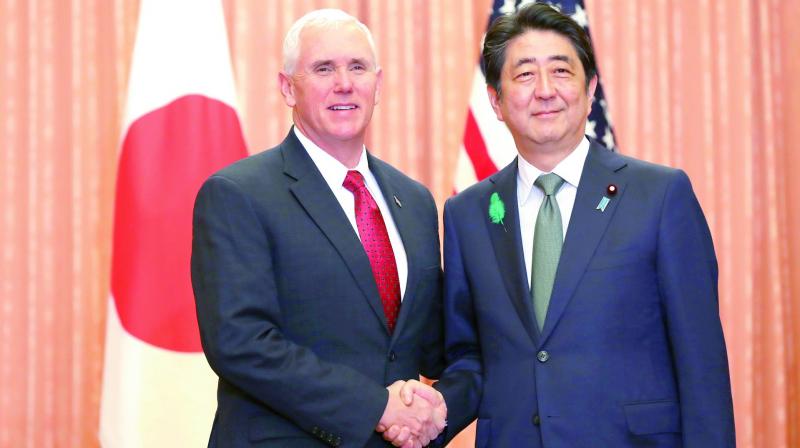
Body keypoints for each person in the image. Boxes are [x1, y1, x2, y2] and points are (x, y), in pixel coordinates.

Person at [434, 3, 736, 446]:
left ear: (590, 88)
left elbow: (701, 362)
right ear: (496, 101)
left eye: (561, 71)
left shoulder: (660, 195)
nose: (545, 90)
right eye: (523, 75)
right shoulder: (468, 214)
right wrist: (425, 417)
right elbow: (468, 357)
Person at [191, 9, 446, 447]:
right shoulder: (237, 194)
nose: (344, 83)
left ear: (378, 85)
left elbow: (430, 343)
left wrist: (435, 410)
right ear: (288, 87)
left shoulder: (416, 201)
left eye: (357, 67)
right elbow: (241, 344)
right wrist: (375, 407)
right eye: (323, 68)